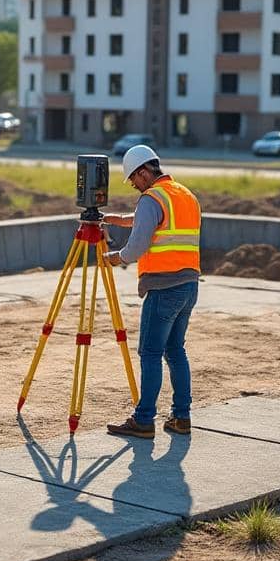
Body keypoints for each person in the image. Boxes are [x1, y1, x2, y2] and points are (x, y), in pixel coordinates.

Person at [102, 145, 201, 439]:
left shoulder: (151, 198)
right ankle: (181, 417)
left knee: (150, 353)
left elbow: (136, 247)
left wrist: (114, 258)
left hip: (162, 287)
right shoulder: (184, 195)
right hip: (189, 285)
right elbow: (151, 220)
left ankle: (144, 419)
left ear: (144, 172)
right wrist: (115, 219)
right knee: (175, 351)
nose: (133, 185)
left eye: (134, 179)